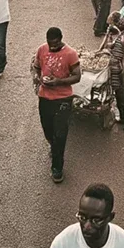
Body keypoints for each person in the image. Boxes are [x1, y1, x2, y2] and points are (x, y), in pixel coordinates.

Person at [33, 27, 82, 183]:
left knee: (60, 134)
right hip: (44, 97)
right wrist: (37, 78)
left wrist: (59, 82)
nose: (52, 47)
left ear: (61, 39)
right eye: (49, 43)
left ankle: (57, 168)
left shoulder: (70, 54)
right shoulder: (42, 49)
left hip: (63, 99)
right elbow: (36, 68)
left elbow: (77, 76)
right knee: (48, 129)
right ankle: (53, 147)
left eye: (54, 43)